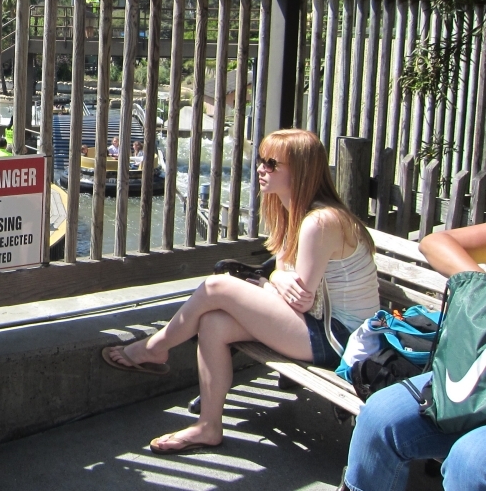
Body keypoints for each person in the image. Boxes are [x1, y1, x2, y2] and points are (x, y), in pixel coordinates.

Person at [102, 129, 380, 454]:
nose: (261, 168)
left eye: (272, 164)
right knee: (213, 324)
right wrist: (277, 281)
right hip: (319, 327)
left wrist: (274, 281)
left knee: (216, 286)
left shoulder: (321, 222)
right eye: (261, 160)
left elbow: (301, 298)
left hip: (341, 340)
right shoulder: (300, 215)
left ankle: (156, 347)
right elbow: (292, 290)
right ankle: (208, 427)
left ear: (301, 170)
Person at [339, 224, 486, 491]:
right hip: (477, 372)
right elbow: (435, 242)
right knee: (379, 417)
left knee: (470, 462)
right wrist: (477, 284)